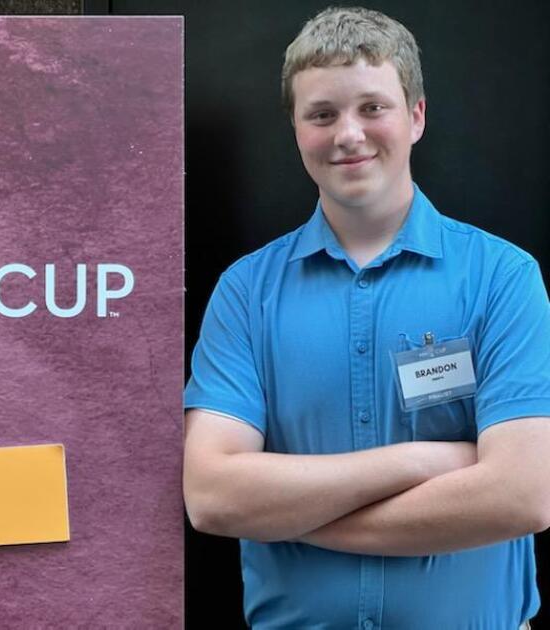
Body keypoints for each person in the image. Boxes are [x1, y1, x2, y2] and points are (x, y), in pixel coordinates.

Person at [183, 6, 550, 630]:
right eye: (321, 114)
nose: (347, 134)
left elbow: (520, 495)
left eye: (372, 108)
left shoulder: (503, 277)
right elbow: (213, 497)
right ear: (297, 130)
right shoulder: (246, 292)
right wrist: (424, 460)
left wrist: (297, 518)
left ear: (416, 115)